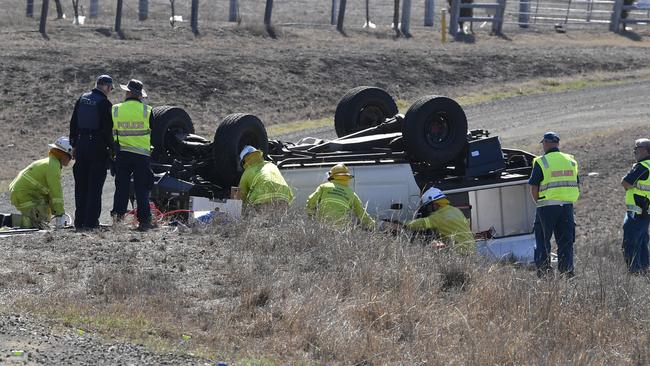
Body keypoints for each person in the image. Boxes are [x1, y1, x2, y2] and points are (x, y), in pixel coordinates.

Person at [528, 131, 579, 278]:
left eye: (543, 143)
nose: (543, 146)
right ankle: (567, 273)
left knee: (543, 241)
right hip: (567, 207)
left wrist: (539, 202)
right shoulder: (571, 161)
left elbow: (533, 186)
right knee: (566, 242)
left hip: (546, 207)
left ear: (547, 143)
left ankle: (544, 273)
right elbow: (577, 184)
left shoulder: (542, 161)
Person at [69, 74, 114, 230]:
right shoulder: (104, 103)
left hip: (81, 145)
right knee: (94, 187)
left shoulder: (82, 98)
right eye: (110, 88)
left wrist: (74, 144)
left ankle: (79, 221)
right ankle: (91, 223)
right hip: (97, 147)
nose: (110, 91)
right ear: (106, 87)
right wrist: (112, 149)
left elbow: (73, 123)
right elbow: (107, 131)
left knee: (81, 186)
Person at [110, 79, 154, 232]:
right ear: (140, 95)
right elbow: (153, 134)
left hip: (122, 154)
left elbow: (111, 133)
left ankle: (118, 219)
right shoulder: (147, 110)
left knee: (121, 187)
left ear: (128, 92)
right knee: (142, 188)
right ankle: (144, 221)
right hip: (142, 156)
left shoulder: (115, 109)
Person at [9, 137, 73, 229]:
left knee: (45, 213)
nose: (70, 159)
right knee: (40, 222)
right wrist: (60, 214)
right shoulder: (53, 167)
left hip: (22, 193)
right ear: (63, 155)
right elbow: (56, 193)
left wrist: (56, 211)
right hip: (24, 194)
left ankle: (17, 222)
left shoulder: (50, 162)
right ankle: (10, 223)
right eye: (69, 156)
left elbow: (50, 194)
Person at [403, 187, 475, 254]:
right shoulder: (455, 210)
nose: (428, 211)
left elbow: (422, 223)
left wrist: (403, 224)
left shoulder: (438, 216)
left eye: (428, 207)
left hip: (460, 252)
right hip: (472, 249)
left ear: (434, 204)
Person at [305, 164, 375, 230]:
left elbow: (311, 200)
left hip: (323, 226)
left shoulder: (324, 187)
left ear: (332, 176)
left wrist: (311, 215)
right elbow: (361, 213)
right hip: (341, 229)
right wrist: (373, 226)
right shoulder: (352, 194)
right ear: (347, 178)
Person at [620, 138, 650, 274]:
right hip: (646, 212)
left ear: (644, 150)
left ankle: (635, 273)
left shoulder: (643, 166)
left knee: (631, 243)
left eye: (636, 149)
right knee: (642, 242)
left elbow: (625, 182)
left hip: (636, 212)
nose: (635, 152)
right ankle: (644, 270)